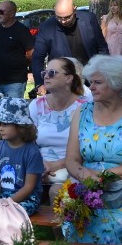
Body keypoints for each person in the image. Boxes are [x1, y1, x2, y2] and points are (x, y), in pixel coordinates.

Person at [64, 55, 122, 245]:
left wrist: (105, 175)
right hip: (89, 191)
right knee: (75, 219)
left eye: (98, 82)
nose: (91, 87)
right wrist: (84, 174)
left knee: (109, 225)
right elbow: (71, 159)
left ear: (116, 84)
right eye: (90, 82)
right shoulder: (82, 112)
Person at [28, 57, 88, 203]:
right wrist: (37, 165)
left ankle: (61, 226)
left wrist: (57, 164)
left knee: (59, 192)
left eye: (53, 72)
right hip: (40, 165)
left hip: (75, 167)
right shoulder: (37, 105)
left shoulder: (85, 106)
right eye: (45, 72)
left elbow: (88, 147)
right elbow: (28, 142)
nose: (46, 76)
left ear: (68, 78)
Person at [31, 0, 109, 94]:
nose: (63, 21)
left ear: (75, 10)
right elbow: (37, 58)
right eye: (59, 18)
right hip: (62, 81)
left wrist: (105, 71)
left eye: (67, 17)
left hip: (91, 77)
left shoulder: (89, 19)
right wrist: (40, 83)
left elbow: (102, 48)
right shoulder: (46, 27)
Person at [0, 97, 44, 216]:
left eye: (5, 124)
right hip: (2, 195)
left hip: (26, 198)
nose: (0, 128)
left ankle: (12, 234)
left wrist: (7, 203)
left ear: (20, 126)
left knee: (11, 213)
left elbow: (29, 187)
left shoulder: (32, 152)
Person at [0, 0, 34, 99]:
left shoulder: (21, 30)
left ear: (12, 14)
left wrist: (19, 64)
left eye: (2, 11)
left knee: (13, 111)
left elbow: (31, 53)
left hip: (15, 82)